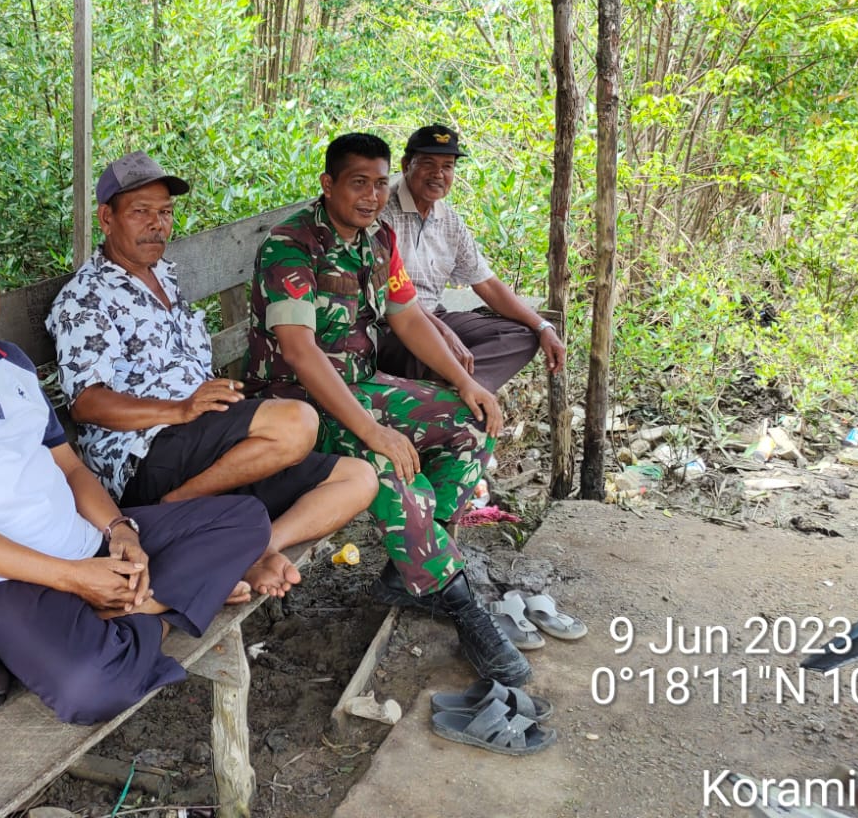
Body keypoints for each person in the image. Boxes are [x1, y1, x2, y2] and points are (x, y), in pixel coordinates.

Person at [0, 225, 270, 725]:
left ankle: (129, 612)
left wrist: (120, 531)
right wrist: (74, 579)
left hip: (81, 544)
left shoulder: (11, 361)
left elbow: (68, 465)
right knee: (90, 689)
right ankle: (157, 610)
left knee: (245, 519)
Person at [243, 133, 532, 687]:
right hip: (297, 407)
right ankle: (458, 602)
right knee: (389, 469)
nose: (373, 196)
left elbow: (408, 317)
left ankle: (412, 572)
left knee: (472, 421)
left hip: (362, 385)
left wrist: (464, 381)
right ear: (328, 184)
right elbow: (301, 352)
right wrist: (374, 431)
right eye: (358, 183)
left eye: (379, 183)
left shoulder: (377, 240)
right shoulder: (292, 246)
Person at [48, 152, 378, 599]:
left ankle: (258, 547)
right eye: (141, 212)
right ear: (107, 218)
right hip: (146, 456)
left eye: (165, 212)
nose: (157, 224)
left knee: (359, 478)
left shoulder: (165, 278)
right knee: (297, 422)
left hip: (206, 448)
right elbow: (87, 403)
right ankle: (170, 512)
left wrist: (209, 410)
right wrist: (180, 411)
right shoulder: (86, 297)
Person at [378, 124, 566, 393]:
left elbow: (487, 284)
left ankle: (455, 392)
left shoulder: (449, 221)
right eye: (428, 163)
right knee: (430, 347)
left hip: (434, 314)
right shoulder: (384, 213)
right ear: (406, 164)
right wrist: (441, 332)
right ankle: (455, 387)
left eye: (447, 166)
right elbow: (387, 298)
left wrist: (542, 325)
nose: (438, 174)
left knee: (521, 336)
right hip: (392, 323)